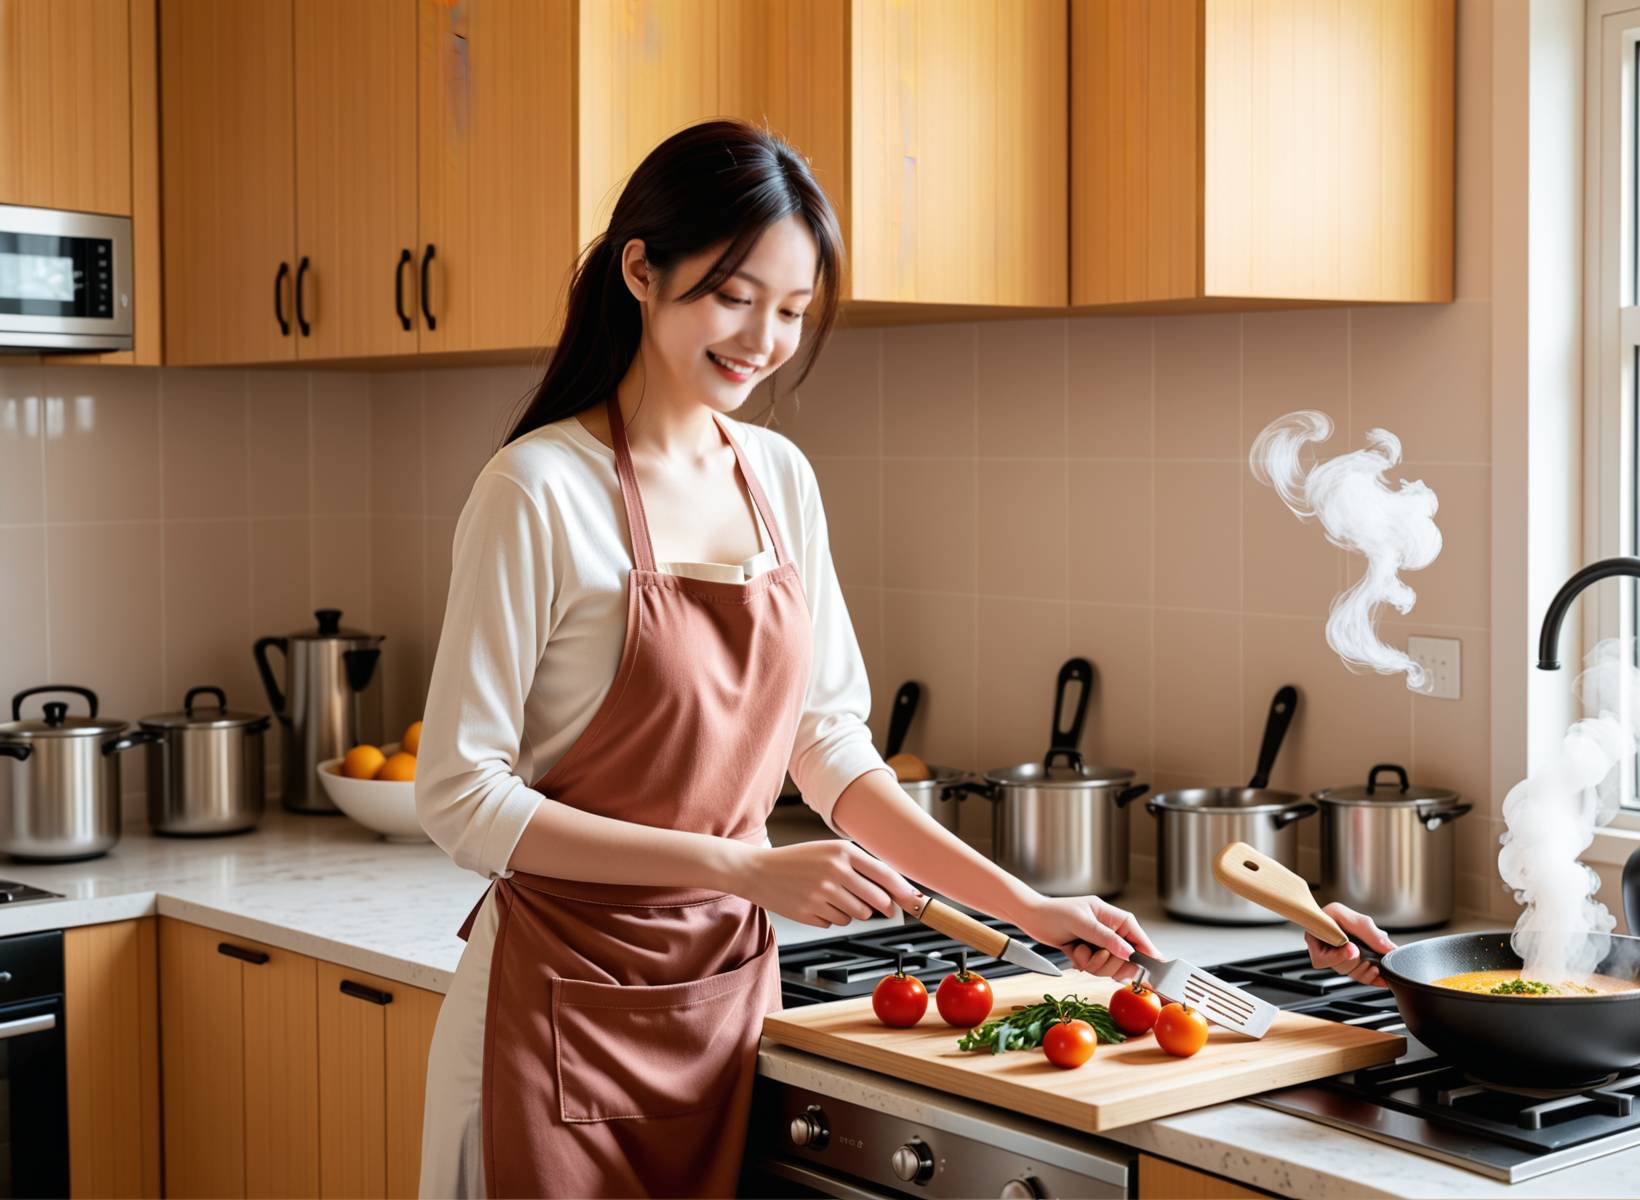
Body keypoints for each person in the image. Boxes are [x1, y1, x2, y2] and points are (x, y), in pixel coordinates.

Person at [411, 119, 1164, 1199]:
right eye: (733, 295)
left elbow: (829, 750)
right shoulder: (537, 490)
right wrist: (745, 869)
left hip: (722, 1003)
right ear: (641, 269)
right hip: (551, 1015)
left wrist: (1024, 908)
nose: (763, 339)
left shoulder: (778, 477)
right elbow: (461, 798)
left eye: (794, 312)